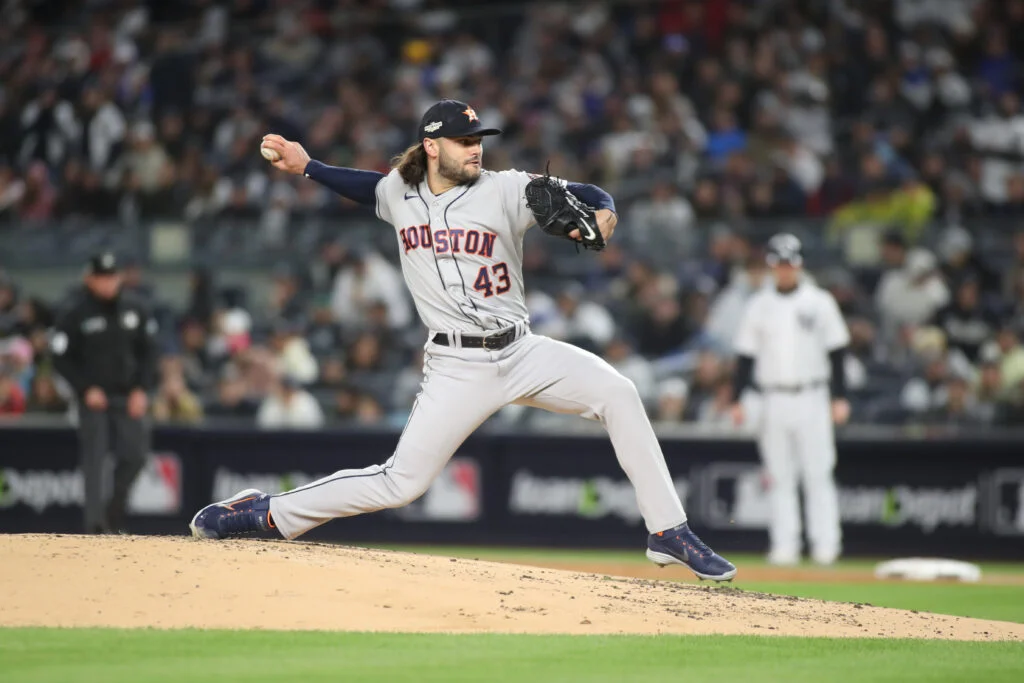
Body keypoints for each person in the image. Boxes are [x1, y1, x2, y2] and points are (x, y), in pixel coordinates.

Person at [190, 99, 736, 581]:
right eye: (464, 141)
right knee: (400, 484)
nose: (476, 149)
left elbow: (590, 192)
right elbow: (365, 187)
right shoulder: (399, 193)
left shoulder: (505, 188)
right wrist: (308, 167)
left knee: (618, 392)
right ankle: (264, 512)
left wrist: (605, 211)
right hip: (456, 366)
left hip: (522, 351)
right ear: (432, 146)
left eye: (478, 140)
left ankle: (667, 532)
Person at [729, 234, 850, 566]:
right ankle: (785, 546)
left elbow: (837, 351)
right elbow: (745, 358)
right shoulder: (758, 304)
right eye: (779, 264)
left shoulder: (819, 301)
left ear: (799, 264)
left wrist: (840, 397)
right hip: (773, 397)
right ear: (771, 266)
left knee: (818, 473)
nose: (784, 270)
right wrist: (738, 399)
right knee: (779, 476)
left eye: (789, 263)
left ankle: (826, 546)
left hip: (813, 394)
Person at [51, 252, 158, 533]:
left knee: (136, 455)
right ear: (89, 279)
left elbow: (149, 353)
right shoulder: (75, 313)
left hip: (128, 395)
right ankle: (95, 527)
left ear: (119, 277)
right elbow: (60, 356)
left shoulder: (136, 309)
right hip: (94, 399)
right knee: (94, 461)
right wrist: (84, 388)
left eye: (111, 277)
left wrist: (142, 389)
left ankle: (113, 514)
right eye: (101, 278)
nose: (107, 283)